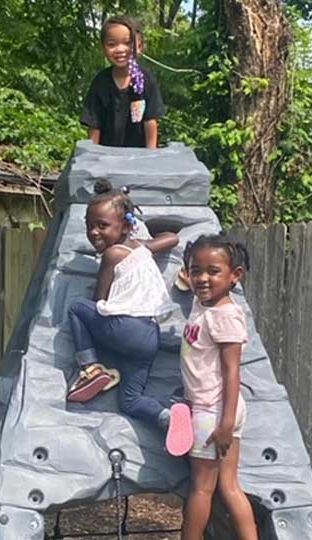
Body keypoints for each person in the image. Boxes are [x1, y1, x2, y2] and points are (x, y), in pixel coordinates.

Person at [66, 179, 193, 456]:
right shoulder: (142, 248)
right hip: (149, 336)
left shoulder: (112, 254)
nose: (94, 232)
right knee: (130, 400)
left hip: (126, 328)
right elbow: (172, 239)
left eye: (102, 225)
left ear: (124, 226)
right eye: (90, 225)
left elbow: (101, 301)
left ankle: (91, 369)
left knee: (78, 308)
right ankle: (169, 418)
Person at [180, 234, 258, 540]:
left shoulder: (224, 315)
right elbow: (193, 281)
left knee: (201, 488)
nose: (202, 278)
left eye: (213, 271)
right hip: (220, 409)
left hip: (213, 412)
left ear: (235, 276)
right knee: (228, 486)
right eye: (195, 270)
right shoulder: (205, 303)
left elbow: (231, 369)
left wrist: (225, 423)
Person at [81, 16, 165, 148]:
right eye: (112, 44)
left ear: (140, 47)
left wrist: (151, 157)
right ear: (103, 48)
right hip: (106, 159)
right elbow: (94, 126)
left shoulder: (147, 80)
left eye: (127, 43)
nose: (120, 49)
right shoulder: (100, 83)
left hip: (139, 159)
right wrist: (92, 158)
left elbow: (151, 121)